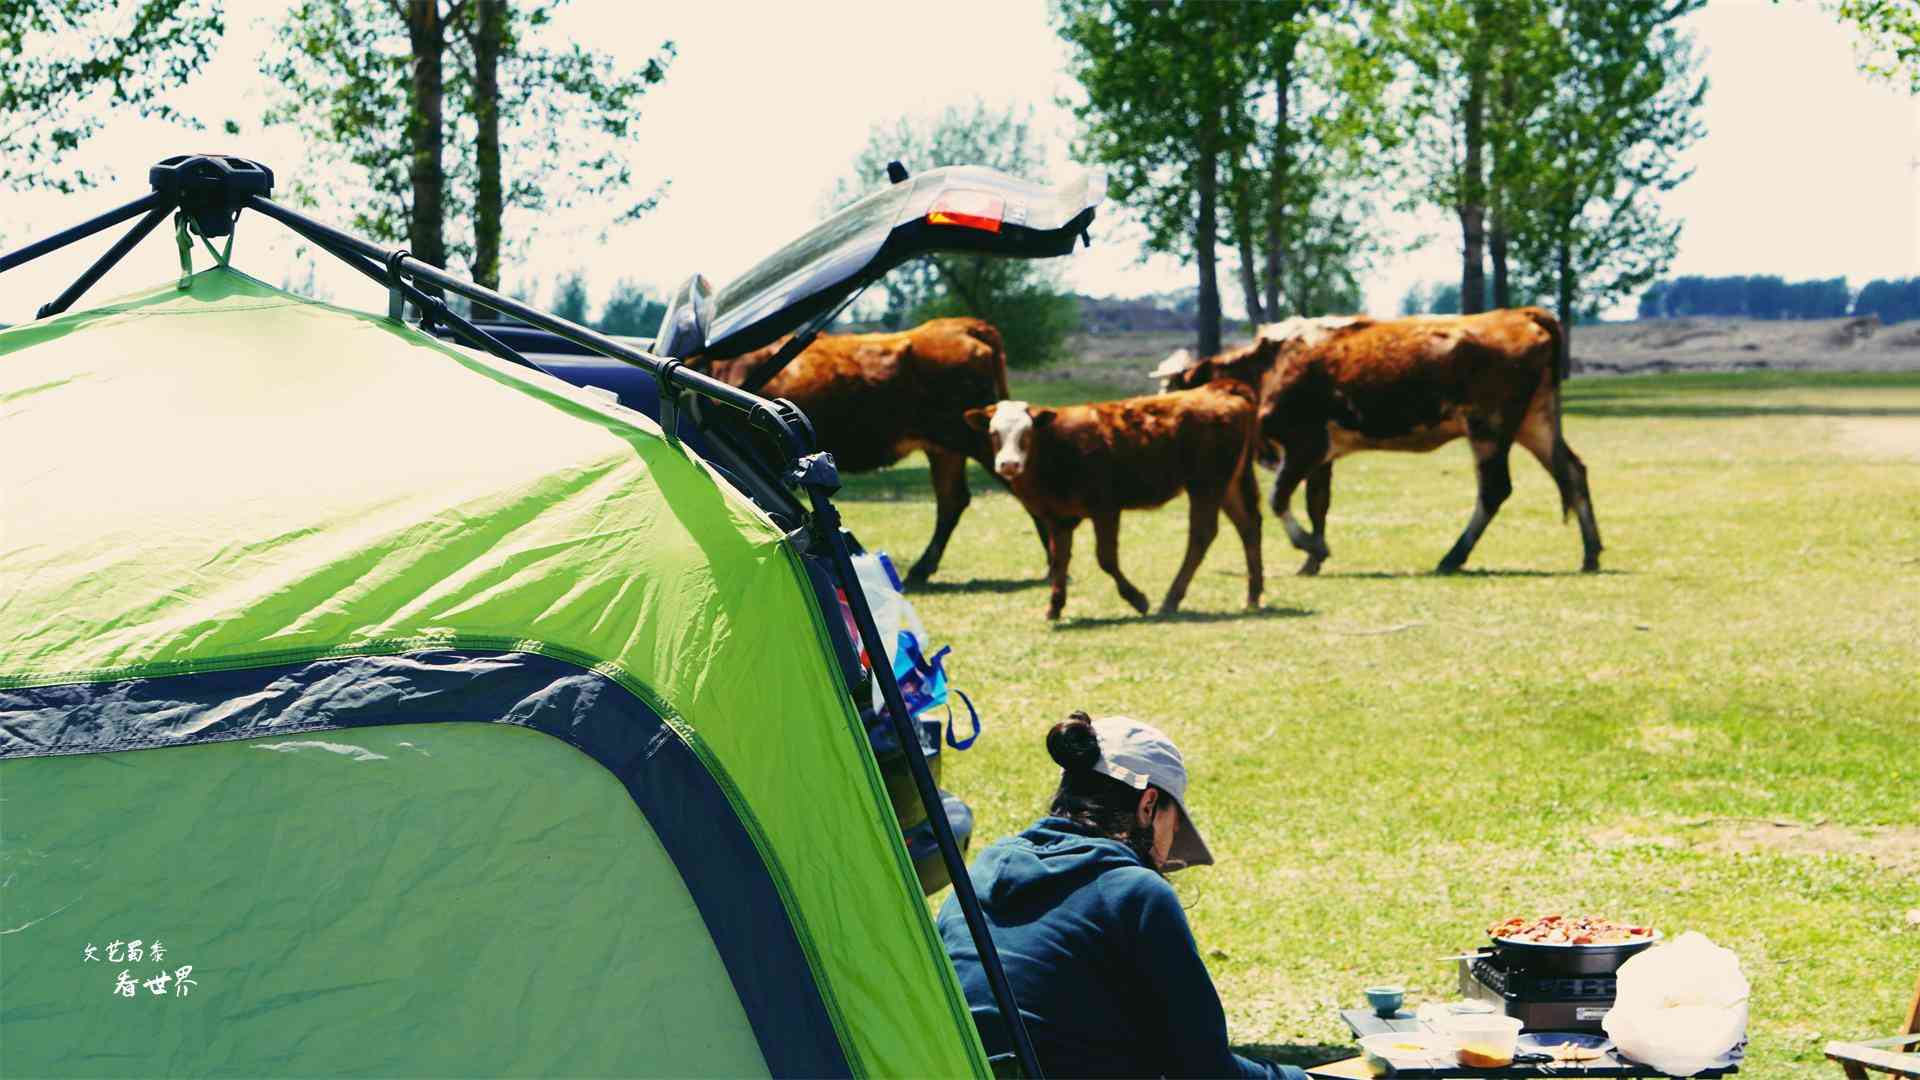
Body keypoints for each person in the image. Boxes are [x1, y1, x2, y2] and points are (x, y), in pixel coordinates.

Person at [937, 712, 1307, 1079]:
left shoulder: (973, 878)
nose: (1167, 854)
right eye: (1173, 827)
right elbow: (1204, 1071)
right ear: (1148, 806)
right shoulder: (1134, 894)